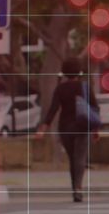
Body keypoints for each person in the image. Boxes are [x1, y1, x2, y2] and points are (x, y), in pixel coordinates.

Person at [36, 58, 99, 202]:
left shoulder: (60, 89)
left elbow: (53, 109)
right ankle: (78, 188)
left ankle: (75, 189)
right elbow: (94, 107)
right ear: (79, 72)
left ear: (64, 72)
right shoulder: (85, 87)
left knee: (73, 159)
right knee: (80, 158)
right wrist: (95, 129)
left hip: (65, 128)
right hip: (83, 126)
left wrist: (43, 129)